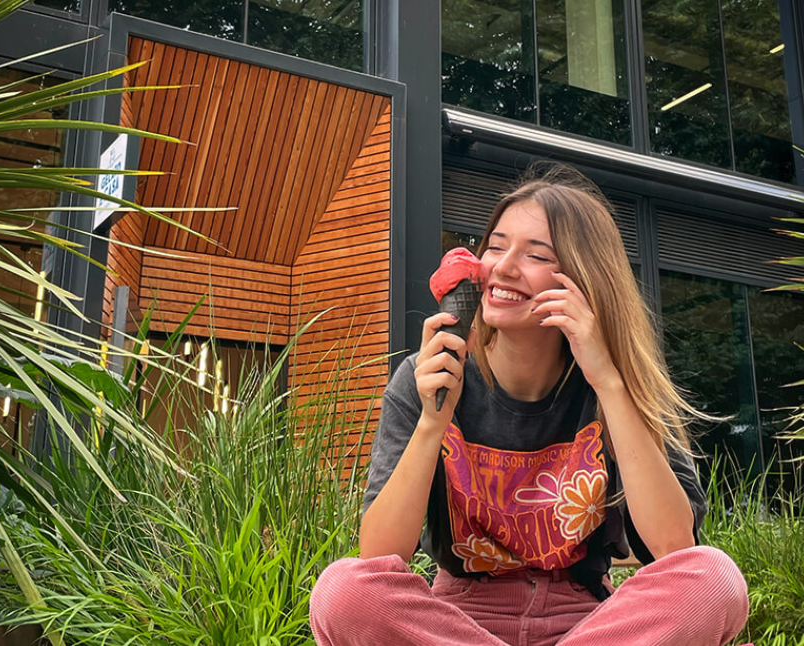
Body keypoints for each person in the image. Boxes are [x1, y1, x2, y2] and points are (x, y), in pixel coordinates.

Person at [309, 164, 750, 646]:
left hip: (585, 626)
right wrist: (433, 422)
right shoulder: (428, 373)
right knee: (343, 591)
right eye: (495, 246)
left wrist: (608, 382)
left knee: (713, 579)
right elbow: (379, 554)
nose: (502, 266)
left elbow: (673, 549)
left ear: (584, 279)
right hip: (459, 622)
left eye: (535, 255)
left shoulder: (620, 383)